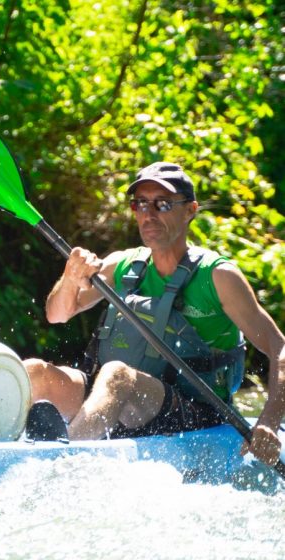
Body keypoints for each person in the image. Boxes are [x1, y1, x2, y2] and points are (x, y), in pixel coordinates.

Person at [23, 162, 285, 466]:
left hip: (194, 409)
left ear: (190, 210)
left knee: (116, 374)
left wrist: (268, 420)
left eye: (162, 204)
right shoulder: (122, 264)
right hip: (119, 399)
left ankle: (65, 462)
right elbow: (57, 314)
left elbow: (279, 347)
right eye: (140, 204)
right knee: (32, 373)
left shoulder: (218, 277)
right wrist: (70, 278)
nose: (149, 214)